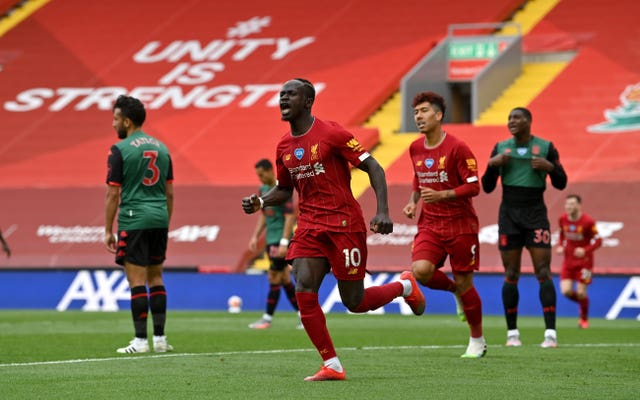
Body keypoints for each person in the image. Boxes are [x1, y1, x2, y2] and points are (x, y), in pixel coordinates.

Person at [241, 78, 425, 381]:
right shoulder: (284, 146)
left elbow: (374, 167)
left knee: (355, 302)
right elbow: (285, 190)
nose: (283, 99)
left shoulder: (332, 133)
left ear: (308, 101)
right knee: (303, 287)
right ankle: (332, 364)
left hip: (343, 225)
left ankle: (405, 286)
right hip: (311, 227)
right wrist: (261, 201)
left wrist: (382, 210)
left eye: (291, 95)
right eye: (281, 95)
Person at [402, 91, 486, 358]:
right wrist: (413, 202)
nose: (419, 116)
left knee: (465, 281)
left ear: (438, 115)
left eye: (424, 111)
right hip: (430, 223)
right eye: (416, 112)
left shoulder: (458, 148)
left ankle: (477, 339)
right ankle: (455, 292)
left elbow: (474, 186)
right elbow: (418, 180)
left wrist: (443, 195)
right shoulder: (415, 148)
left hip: (461, 225)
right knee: (421, 270)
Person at [481, 107, 567, 348]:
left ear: (529, 121)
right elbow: (486, 187)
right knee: (510, 274)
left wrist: (550, 168)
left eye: (516, 118)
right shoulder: (500, 148)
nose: (511, 121)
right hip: (509, 214)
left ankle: (550, 333)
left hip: (536, 214)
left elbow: (561, 182)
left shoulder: (546, 147)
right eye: (509, 118)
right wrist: (491, 165)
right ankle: (512, 334)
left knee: (543, 271)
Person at [104, 95, 174, 354]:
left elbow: (113, 193)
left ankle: (140, 342)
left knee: (136, 281)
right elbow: (170, 193)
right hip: (159, 219)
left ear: (127, 121)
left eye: (115, 119)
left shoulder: (119, 150)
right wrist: (165, 219)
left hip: (133, 219)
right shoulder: (163, 148)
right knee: (156, 278)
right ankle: (161, 339)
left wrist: (107, 229)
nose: (113, 124)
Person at [247, 158, 301, 329]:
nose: (260, 179)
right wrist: (255, 236)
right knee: (284, 279)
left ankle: (267, 318)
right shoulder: (263, 190)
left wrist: (285, 242)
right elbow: (264, 214)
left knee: (274, 276)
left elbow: (290, 216)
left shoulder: (282, 189)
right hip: (271, 239)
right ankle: (303, 316)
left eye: (262, 175)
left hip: (280, 240)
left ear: (271, 171)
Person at [556, 194, 602, 329]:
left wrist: (585, 250)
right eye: (567, 204)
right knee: (566, 291)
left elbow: (599, 241)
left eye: (571, 204)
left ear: (578, 206)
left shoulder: (588, 222)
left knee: (581, 292)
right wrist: (560, 245)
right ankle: (584, 303)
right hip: (568, 262)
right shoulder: (562, 219)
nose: (568, 207)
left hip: (585, 264)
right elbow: (561, 234)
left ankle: (584, 319)